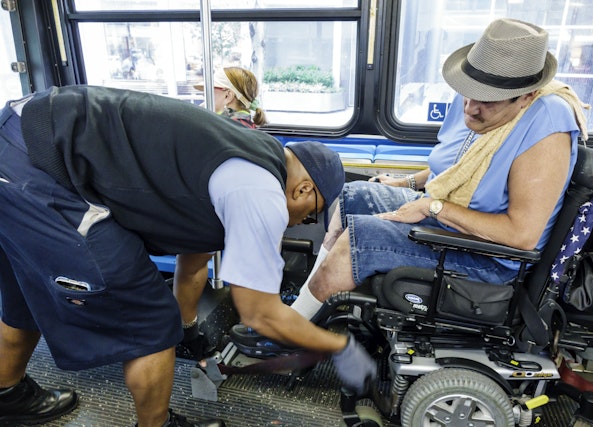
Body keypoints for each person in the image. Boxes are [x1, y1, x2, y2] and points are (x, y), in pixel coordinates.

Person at [0, 85, 375, 427]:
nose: (300, 223)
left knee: (25, 291)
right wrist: (337, 347)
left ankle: (7, 394)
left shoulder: (242, 156)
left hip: (20, 135)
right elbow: (259, 313)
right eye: (309, 214)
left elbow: (194, 257)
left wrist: (187, 329)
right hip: (40, 162)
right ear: (304, 189)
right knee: (148, 319)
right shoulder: (260, 193)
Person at [285, 18, 590, 321]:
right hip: (448, 219)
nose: (470, 108)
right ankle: (316, 305)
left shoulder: (547, 126)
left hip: (487, 256)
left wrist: (433, 208)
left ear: (526, 96)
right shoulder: (475, 101)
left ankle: (289, 330)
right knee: (354, 196)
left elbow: (521, 235)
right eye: (469, 94)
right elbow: (455, 170)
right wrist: (406, 184)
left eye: (487, 101)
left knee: (361, 238)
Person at [176, 66, 268, 360]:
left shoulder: (215, 131)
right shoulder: (248, 128)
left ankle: (187, 333)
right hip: (240, 214)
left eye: (208, 93)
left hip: (209, 211)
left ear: (227, 95)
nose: (202, 101)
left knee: (189, 266)